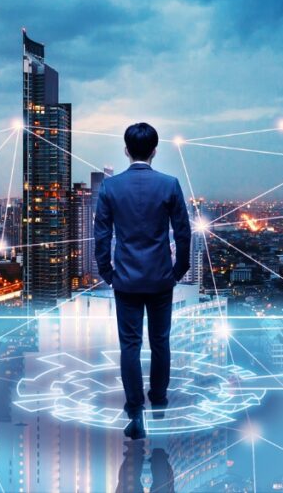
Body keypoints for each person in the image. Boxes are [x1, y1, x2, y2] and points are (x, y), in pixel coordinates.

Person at [94, 122, 192, 440]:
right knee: (160, 342)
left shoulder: (110, 188)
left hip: (125, 280)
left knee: (130, 346)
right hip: (161, 278)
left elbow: (102, 235)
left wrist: (107, 272)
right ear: (154, 150)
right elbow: (183, 232)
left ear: (126, 150)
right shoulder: (169, 184)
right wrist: (180, 270)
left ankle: (135, 411)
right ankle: (159, 401)